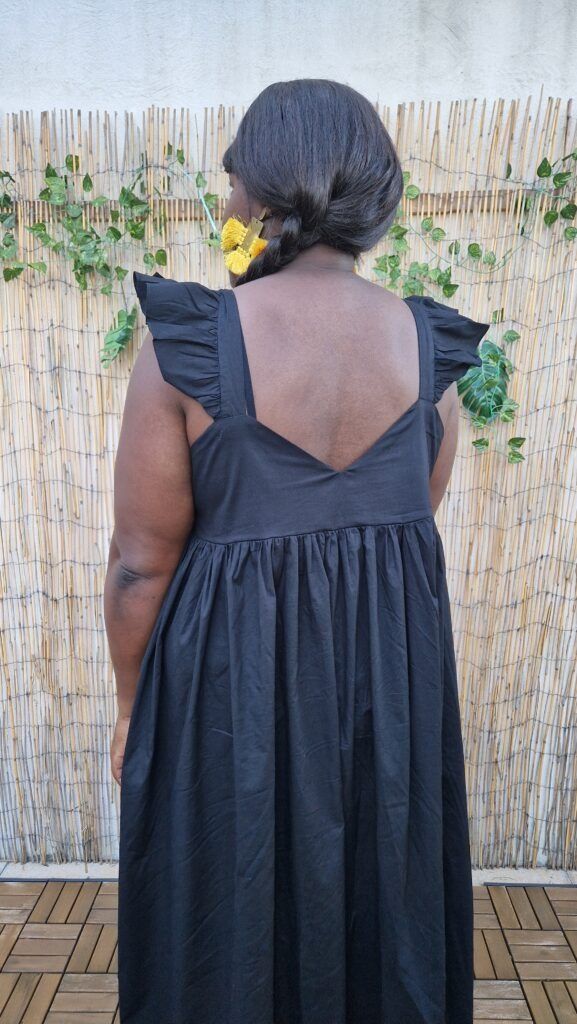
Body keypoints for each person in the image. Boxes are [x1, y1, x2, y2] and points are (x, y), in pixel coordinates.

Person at [105, 78, 490, 1024]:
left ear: (261, 190)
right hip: (382, 699)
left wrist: (128, 708)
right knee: (376, 894)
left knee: (224, 899)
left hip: (223, 695)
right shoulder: (429, 355)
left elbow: (140, 564)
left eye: (232, 173)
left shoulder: (189, 347)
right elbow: (404, 524)